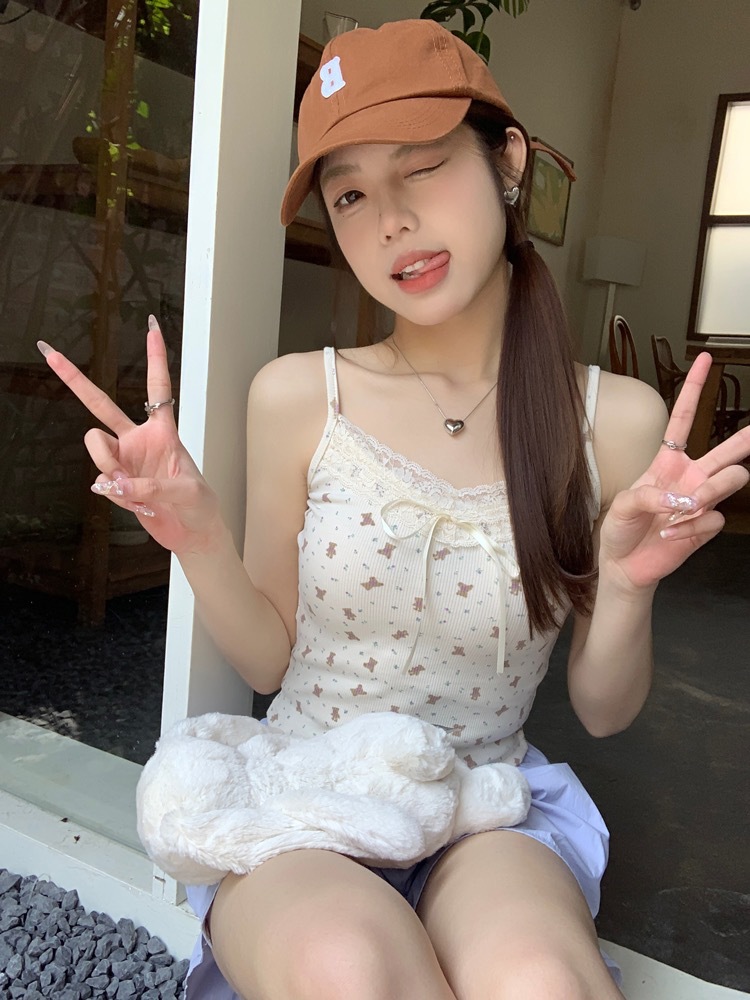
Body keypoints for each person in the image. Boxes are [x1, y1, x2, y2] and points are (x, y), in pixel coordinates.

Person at [39, 18, 749, 1000]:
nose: (390, 224)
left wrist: (627, 585)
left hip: (482, 799)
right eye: (351, 195)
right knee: (352, 971)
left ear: (508, 163)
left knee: (541, 983)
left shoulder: (614, 420)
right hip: (306, 789)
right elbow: (269, 660)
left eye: (421, 169)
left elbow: (602, 706)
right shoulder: (300, 396)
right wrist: (196, 535)